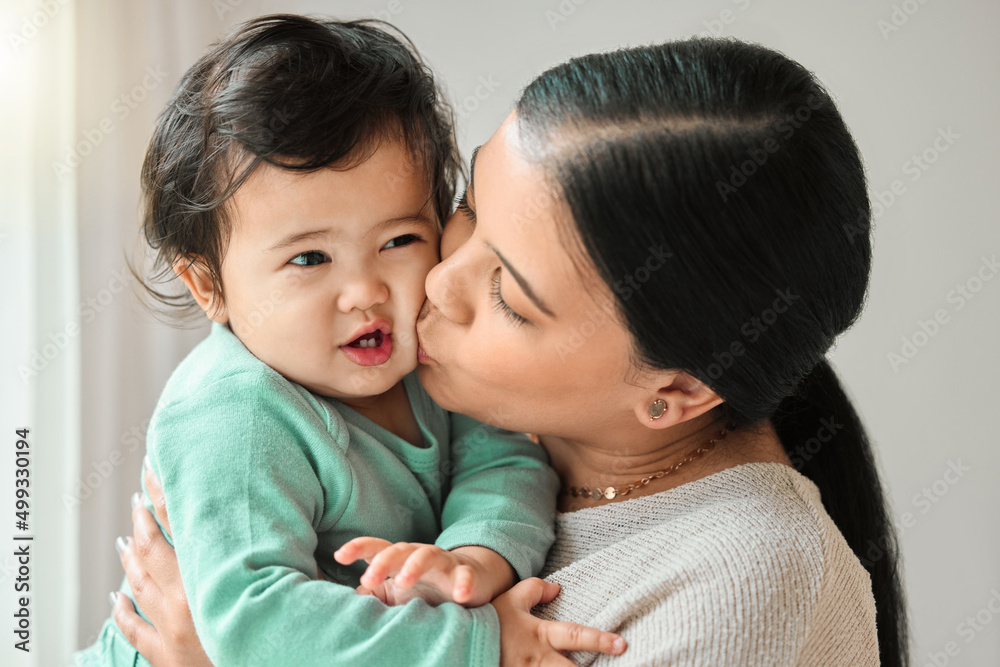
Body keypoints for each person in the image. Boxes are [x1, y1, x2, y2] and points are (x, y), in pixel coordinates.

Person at [110, 36, 910, 666]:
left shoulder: (743, 584)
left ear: (675, 389)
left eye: (508, 295)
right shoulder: (515, 422)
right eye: (465, 209)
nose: (432, 284)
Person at [76, 15, 629, 667]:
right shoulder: (237, 414)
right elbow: (255, 626)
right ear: (209, 286)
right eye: (310, 258)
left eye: (398, 241)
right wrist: (478, 639)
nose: (365, 291)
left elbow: (505, 459)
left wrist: (471, 560)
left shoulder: (425, 360)